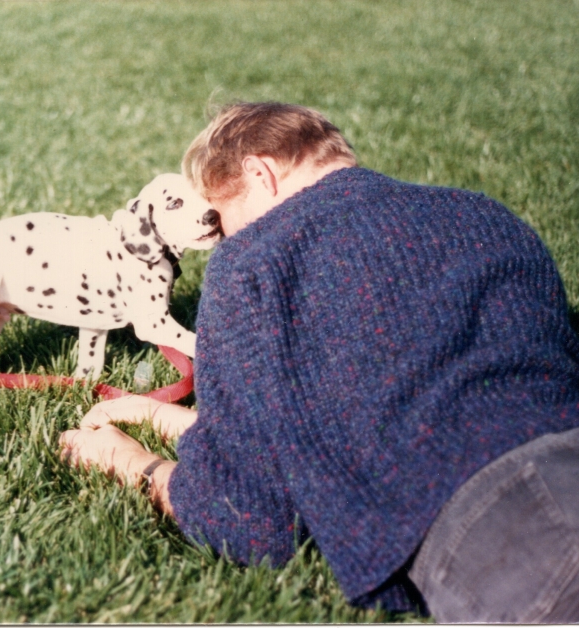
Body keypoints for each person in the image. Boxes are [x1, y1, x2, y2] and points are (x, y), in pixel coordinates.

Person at [59, 102, 579, 622]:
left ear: (260, 174)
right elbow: (422, 385)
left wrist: (131, 462)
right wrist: (174, 421)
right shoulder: (484, 215)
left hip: (506, 531)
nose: (226, 238)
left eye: (222, 219)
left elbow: (248, 522)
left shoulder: (254, 263)